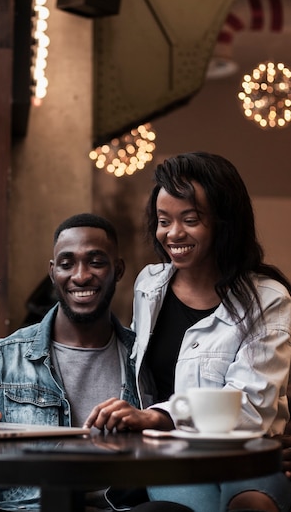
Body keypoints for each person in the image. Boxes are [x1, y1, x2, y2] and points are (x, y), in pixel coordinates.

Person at [0, 213, 192, 512]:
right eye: (67, 264)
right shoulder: (0, 360)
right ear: (53, 272)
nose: (80, 276)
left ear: (118, 269)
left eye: (96, 262)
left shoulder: (140, 359)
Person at [84, 153, 291, 512]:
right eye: (164, 221)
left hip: (244, 456)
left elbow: (251, 408)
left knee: (251, 504)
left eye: (190, 220)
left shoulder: (269, 299)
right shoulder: (149, 285)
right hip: (173, 457)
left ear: (224, 223)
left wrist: (160, 417)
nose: (173, 233)